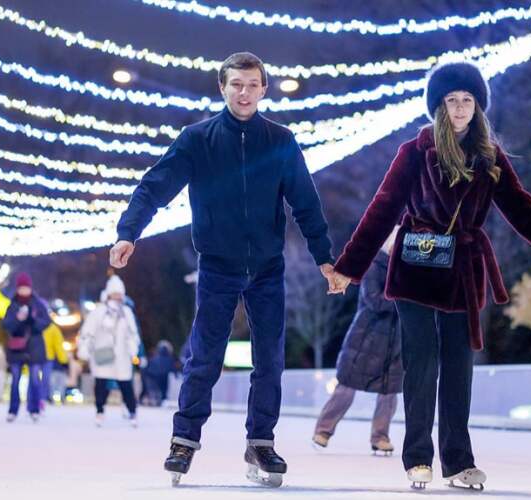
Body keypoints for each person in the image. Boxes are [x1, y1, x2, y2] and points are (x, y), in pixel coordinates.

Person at [328, 62, 531, 490]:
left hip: (462, 272)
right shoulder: (415, 152)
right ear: (439, 106)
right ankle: (417, 458)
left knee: (458, 368)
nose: (461, 108)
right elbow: (382, 210)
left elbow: (521, 208)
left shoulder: (489, 157)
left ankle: (459, 462)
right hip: (415, 266)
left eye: (468, 100)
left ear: (478, 106)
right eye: (452, 100)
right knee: (421, 364)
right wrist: (348, 268)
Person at [109, 52, 337, 487]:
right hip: (217, 264)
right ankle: (184, 439)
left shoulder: (281, 141)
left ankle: (261, 442)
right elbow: (155, 186)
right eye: (236, 84)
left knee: (269, 357)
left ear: (263, 89)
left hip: (267, 266)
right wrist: (128, 233)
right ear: (222, 88)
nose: (244, 93)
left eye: (252, 85)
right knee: (205, 353)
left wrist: (324, 258)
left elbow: (306, 203)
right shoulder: (198, 139)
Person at [313, 229, 402, 456]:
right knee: (346, 386)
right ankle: (323, 430)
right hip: (366, 339)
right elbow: (374, 301)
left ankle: (380, 437)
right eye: (395, 245)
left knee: (389, 392)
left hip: (394, 342)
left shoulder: (406, 269)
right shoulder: (374, 265)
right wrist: (403, 299)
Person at [78, 276, 141, 427]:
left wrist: (133, 347)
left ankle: (132, 411)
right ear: (108, 294)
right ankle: (100, 411)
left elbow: (132, 333)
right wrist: (85, 347)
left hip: (121, 356)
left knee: (125, 385)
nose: (117, 297)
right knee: (101, 383)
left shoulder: (126, 312)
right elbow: (88, 332)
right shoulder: (99, 312)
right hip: (103, 354)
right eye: (114, 293)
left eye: (119, 294)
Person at [1, 273, 51, 423]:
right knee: (15, 379)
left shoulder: (37, 304)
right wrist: (18, 319)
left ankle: (34, 409)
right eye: (21, 288)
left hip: (34, 347)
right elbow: (6, 325)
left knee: (35, 379)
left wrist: (32, 319)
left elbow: (46, 322)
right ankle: (13, 410)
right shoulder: (13, 305)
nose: (24, 291)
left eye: (26, 288)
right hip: (17, 348)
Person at [143, 340, 178, 407]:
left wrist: (146, 373)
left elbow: (149, 366)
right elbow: (172, 367)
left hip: (154, 375)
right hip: (164, 375)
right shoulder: (169, 358)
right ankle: (162, 399)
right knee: (163, 388)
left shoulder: (156, 357)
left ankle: (157, 399)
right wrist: (175, 373)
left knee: (156, 388)